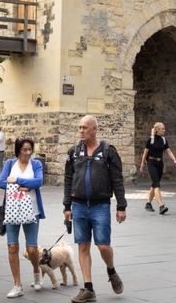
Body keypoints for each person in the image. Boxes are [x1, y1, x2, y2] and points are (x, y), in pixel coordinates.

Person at [63, 115, 126, 303]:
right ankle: (88, 288)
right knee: (83, 245)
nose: (81, 131)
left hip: (101, 205)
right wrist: (67, 206)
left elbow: (117, 180)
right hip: (79, 205)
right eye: (79, 127)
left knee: (103, 245)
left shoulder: (108, 151)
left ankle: (111, 270)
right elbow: (68, 180)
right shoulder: (74, 152)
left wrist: (121, 206)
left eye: (85, 128)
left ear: (94, 129)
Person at [0, 136, 45, 298]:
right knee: (12, 247)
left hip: (32, 210)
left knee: (31, 248)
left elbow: (38, 181)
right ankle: (17, 285)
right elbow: (1, 182)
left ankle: (36, 270)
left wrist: (17, 180)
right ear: (18, 150)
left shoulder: (36, 164)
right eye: (24, 149)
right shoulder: (10, 163)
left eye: (29, 149)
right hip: (12, 210)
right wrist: (23, 185)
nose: (27, 152)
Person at [138, 122, 176, 215]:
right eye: (162, 129)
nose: (164, 130)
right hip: (151, 162)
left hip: (160, 163)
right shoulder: (151, 140)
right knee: (156, 184)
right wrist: (142, 164)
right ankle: (161, 205)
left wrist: (174, 160)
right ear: (157, 130)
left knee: (154, 183)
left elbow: (168, 151)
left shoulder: (164, 140)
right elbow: (145, 153)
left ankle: (148, 203)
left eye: (164, 128)